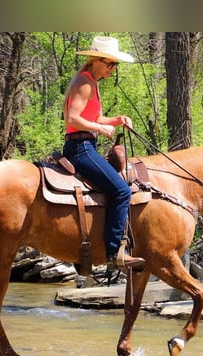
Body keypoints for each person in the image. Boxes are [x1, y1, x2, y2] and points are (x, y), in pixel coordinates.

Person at [63, 36, 145, 271]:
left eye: (115, 64)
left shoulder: (91, 83)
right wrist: (100, 128)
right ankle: (114, 251)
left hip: (85, 144)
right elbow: (72, 119)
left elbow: (94, 118)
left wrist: (117, 121)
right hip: (81, 148)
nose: (112, 68)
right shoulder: (85, 82)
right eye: (109, 63)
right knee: (121, 191)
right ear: (95, 60)